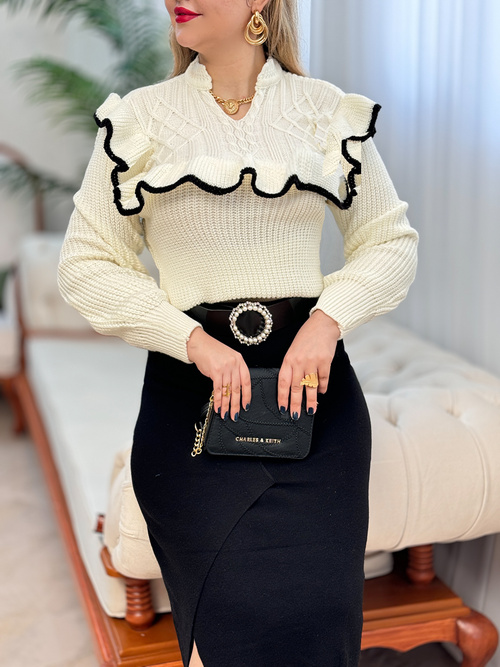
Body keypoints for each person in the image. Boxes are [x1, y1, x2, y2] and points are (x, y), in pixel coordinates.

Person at [58, 1, 418, 665]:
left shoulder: (323, 110)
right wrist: (190, 340)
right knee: (226, 626)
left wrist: (327, 320)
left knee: (320, 621)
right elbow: (85, 264)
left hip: (314, 406)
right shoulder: (141, 118)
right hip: (190, 411)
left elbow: (388, 240)